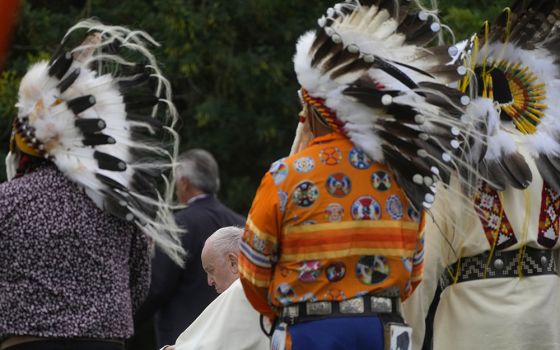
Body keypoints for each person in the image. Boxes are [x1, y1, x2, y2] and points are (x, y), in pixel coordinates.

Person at [237, 1, 489, 349]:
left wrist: (280, 308)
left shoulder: (285, 177)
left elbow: (252, 271)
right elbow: (413, 273)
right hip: (382, 330)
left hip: (310, 331)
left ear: (312, 111)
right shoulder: (403, 177)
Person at [0, 20, 185, 350]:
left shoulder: (7, 201)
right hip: (103, 342)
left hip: (27, 343)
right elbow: (139, 283)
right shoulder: (115, 202)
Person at [402, 2, 560, 350]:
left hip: (479, 327)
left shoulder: (456, 165)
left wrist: (404, 336)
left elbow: (423, 270)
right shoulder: (549, 155)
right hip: (546, 319)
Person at [137, 149, 246, 348]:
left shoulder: (176, 226)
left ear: (184, 182)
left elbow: (157, 287)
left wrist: (126, 321)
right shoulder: (242, 224)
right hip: (232, 338)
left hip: (183, 337)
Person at [160, 226, 270, 350]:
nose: (209, 281)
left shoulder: (242, 290)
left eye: (211, 270)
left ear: (233, 262)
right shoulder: (267, 285)